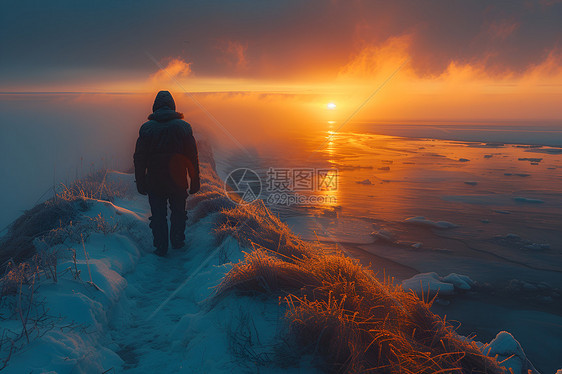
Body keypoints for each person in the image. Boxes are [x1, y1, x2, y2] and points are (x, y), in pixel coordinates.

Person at [134, 91, 200, 256]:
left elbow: (139, 158)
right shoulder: (184, 127)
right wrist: (195, 180)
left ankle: (160, 247)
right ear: (173, 106)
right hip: (178, 181)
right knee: (178, 213)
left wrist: (140, 181)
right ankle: (177, 242)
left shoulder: (146, 129)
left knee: (158, 216)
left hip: (155, 181)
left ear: (155, 107)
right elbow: (192, 156)